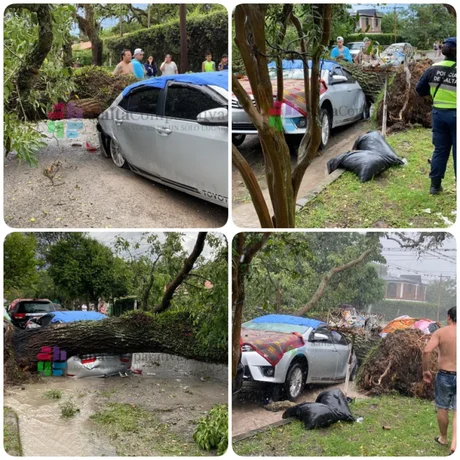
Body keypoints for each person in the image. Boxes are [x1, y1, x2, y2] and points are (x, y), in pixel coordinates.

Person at [416, 37, 456, 195]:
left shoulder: (433, 68)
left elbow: (420, 90)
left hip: (438, 114)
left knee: (440, 150)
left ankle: (435, 186)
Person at [422, 307, 456, 455]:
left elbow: (426, 351)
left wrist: (426, 370)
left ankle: (444, 438)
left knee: (443, 407)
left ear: (449, 317)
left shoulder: (441, 332)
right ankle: (455, 443)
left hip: (445, 375)